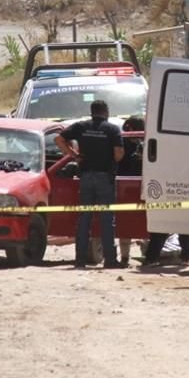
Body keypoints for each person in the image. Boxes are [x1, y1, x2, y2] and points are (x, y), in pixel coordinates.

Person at [55, 100, 125, 269]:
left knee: (84, 218)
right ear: (106, 112)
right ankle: (110, 260)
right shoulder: (112, 129)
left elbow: (58, 139)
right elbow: (118, 155)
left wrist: (74, 155)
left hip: (85, 176)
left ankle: (80, 260)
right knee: (107, 219)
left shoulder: (81, 126)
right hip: (105, 177)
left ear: (92, 111)